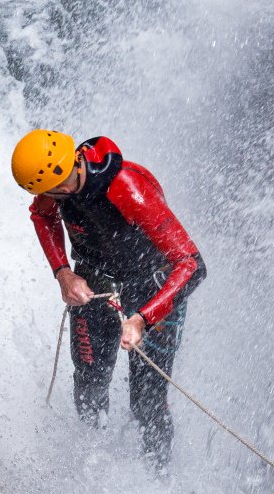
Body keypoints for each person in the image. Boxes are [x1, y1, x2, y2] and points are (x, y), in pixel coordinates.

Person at [13, 129, 206, 470]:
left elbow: (191, 264)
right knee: (88, 382)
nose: (45, 198)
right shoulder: (57, 185)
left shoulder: (127, 188)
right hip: (96, 283)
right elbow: (41, 216)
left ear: (66, 171)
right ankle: (92, 466)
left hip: (152, 291)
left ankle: (157, 478)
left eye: (47, 191)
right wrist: (63, 273)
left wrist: (142, 318)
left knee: (147, 403)